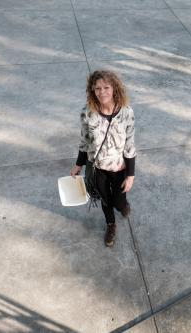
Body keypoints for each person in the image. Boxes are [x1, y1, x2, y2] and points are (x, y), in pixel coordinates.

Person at [70, 70, 136, 247]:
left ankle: (122, 206)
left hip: (119, 169)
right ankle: (110, 225)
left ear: (114, 88)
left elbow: (130, 144)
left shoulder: (126, 112)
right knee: (106, 200)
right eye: (97, 88)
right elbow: (85, 141)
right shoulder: (87, 113)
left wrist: (130, 175)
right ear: (92, 90)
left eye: (106, 87)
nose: (102, 92)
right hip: (97, 167)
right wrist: (78, 164)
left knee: (118, 201)